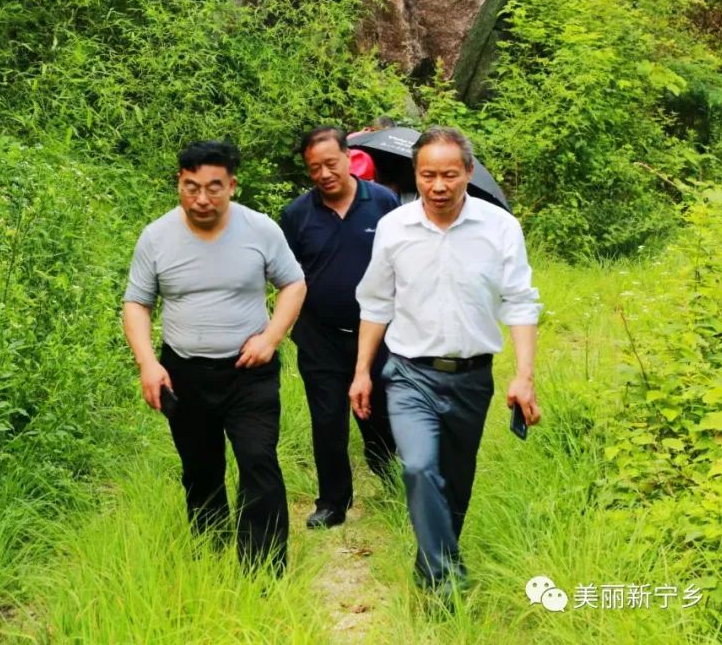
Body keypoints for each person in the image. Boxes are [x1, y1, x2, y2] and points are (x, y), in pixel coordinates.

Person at [350, 126, 542, 598]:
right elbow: (376, 302)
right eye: (428, 175)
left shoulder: (500, 228)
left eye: (449, 175)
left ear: (468, 172)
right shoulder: (395, 227)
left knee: (454, 485)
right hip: (408, 374)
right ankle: (447, 584)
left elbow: (520, 302)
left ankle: (430, 566)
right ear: (415, 174)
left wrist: (524, 375)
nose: (438, 186)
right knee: (418, 468)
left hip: (472, 378)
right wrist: (361, 372)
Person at [123, 139, 307, 572]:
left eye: (213, 187)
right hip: (183, 372)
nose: (202, 199)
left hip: (250, 370)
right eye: (192, 187)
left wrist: (271, 338)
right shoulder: (156, 237)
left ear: (232, 186)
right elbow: (137, 303)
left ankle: (263, 569)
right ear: (179, 183)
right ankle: (210, 553)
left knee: (258, 460)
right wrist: (148, 362)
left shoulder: (260, 229)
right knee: (200, 468)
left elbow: (294, 284)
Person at [279, 127, 399, 530]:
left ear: (349, 157)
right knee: (327, 420)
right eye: (315, 168)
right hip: (320, 336)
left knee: (379, 414)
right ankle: (333, 502)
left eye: (331, 163)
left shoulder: (382, 202)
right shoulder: (297, 215)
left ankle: (393, 480)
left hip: (379, 334)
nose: (325, 174)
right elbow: (287, 276)